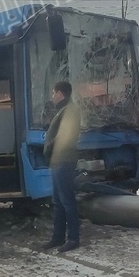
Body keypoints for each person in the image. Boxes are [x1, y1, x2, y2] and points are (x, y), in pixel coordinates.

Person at [41, 80, 81, 253]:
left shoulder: (70, 110)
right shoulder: (63, 110)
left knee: (67, 200)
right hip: (58, 161)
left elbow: (65, 136)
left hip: (64, 160)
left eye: (53, 93)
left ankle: (73, 238)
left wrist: (49, 146)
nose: (52, 97)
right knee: (57, 201)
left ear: (59, 93)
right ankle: (57, 237)